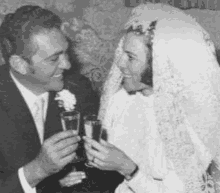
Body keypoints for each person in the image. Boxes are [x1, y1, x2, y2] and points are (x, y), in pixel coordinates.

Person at [83, 3, 220, 193]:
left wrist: (128, 168)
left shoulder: (193, 117)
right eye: (121, 53)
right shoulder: (120, 100)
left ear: (159, 64)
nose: (120, 63)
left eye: (130, 57)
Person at [0, 5, 123, 193]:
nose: (67, 64)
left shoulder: (78, 88)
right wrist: (37, 171)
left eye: (65, 52)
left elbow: (100, 172)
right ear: (20, 64)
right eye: (53, 59)